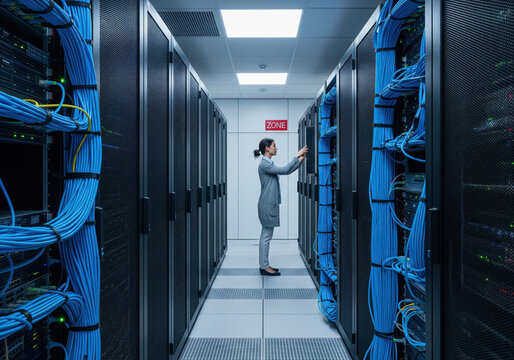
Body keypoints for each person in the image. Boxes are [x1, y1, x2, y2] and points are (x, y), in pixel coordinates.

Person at [253, 138, 308, 276]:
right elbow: (284, 170)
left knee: (266, 235)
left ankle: (265, 265)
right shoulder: (265, 164)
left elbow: (286, 171)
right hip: (266, 205)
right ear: (267, 148)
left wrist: (299, 162)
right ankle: (264, 267)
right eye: (274, 146)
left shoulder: (268, 164)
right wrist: (296, 156)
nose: (276, 148)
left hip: (267, 204)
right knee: (266, 236)